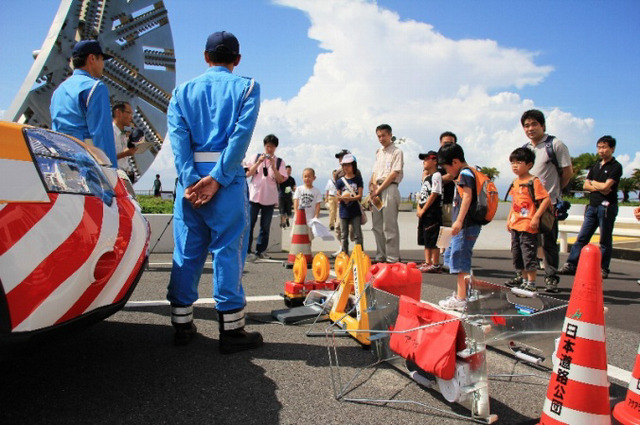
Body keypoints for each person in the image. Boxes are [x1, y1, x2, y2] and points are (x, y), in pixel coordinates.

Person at [166, 31, 262, 353]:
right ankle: (232, 332)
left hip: (189, 185)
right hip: (228, 183)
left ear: (205, 57)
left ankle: (181, 324)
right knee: (227, 251)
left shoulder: (181, 93)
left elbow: (179, 143)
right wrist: (218, 178)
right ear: (237, 59)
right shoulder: (248, 87)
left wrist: (191, 179)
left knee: (187, 253)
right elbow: (241, 137)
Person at [517, 109, 573, 293]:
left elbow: (567, 173)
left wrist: (555, 192)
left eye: (534, 124)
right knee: (526, 242)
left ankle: (551, 278)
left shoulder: (555, 145)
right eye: (526, 125)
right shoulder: (526, 149)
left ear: (543, 125)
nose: (530, 128)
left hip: (548, 204)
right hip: (527, 207)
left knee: (549, 243)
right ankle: (524, 276)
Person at [558, 135, 622, 279]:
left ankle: (603, 268)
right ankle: (572, 264)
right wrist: (598, 186)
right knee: (582, 237)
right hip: (592, 206)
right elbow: (585, 185)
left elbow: (607, 187)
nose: (601, 150)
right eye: (599, 147)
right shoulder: (596, 166)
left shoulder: (616, 167)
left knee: (604, 239)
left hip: (607, 207)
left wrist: (594, 184)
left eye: (604, 147)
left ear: (612, 149)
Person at [50, 40, 117, 167]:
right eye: (102, 59)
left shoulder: (58, 91)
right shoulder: (95, 87)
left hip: (62, 162)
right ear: (92, 58)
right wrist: (112, 171)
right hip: (87, 164)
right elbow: (102, 134)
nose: (103, 65)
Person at [437, 143, 482, 312]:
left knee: (460, 260)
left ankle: (461, 299)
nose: (447, 172)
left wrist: (459, 221)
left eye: (446, 167)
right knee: (458, 258)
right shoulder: (468, 172)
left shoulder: (465, 173)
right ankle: (465, 295)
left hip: (466, 225)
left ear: (455, 162)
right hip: (467, 225)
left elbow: (467, 197)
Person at [504, 147, 551, 292]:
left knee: (528, 253)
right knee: (517, 254)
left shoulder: (533, 181)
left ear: (529, 165)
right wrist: (509, 220)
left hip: (528, 224)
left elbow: (546, 199)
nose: (515, 166)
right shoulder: (515, 182)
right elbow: (514, 203)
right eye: (512, 163)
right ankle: (524, 280)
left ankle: (531, 282)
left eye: (519, 162)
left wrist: (536, 217)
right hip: (516, 224)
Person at [245, 134, 288, 261]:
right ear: (264, 146)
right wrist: (259, 162)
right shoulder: (256, 157)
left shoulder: (280, 162)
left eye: (272, 147)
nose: (269, 149)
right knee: (249, 224)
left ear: (275, 148)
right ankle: (247, 251)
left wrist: (274, 166)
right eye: (268, 146)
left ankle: (260, 250)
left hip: (269, 197)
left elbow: (281, 180)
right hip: (254, 196)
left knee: (265, 225)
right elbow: (248, 174)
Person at [369, 124, 404, 263]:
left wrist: (379, 189)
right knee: (377, 225)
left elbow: (394, 173)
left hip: (389, 188)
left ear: (390, 135)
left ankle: (392, 257)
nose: (381, 138)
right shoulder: (379, 152)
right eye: (378, 136)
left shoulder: (397, 152)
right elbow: (374, 172)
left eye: (383, 135)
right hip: (377, 190)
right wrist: (373, 188)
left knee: (389, 225)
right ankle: (380, 255)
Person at [416, 151, 443, 273]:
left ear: (435, 161)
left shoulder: (436, 175)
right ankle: (427, 262)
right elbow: (422, 195)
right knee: (425, 238)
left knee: (433, 238)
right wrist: (419, 209)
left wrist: (425, 209)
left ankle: (435, 263)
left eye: (427, 159)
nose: (424, 162)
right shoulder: (426, 177)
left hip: (432, 212)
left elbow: (434, 194)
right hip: (424, 212)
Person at [335, 154, 364, 255]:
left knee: (357, 234)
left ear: (353, 166)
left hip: (355, 210)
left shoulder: (358, 179)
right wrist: (342, 197)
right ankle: (344, 255)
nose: (346, 167)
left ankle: (359, 254)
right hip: (343, 210)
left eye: (348, 165)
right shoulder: (340, 181)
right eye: (344, 165)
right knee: (344, 235)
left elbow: (360, 195)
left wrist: (349, 198)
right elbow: (337, 195)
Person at [293, 168, 323, 243]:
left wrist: (316, 217)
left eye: (309, 176)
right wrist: (296, 214)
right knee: (297, 237)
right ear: (302, 177)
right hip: (299, 218)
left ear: (314, 178)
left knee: (308, 238)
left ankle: (308, 253)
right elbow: (296, 202)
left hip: (310, 219)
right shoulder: (299, 189)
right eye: (305, 176)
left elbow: (318, 205)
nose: (307, 178)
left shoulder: (316, 191)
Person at [112, 101, 137, 182]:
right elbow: (104, 158)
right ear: (118, 113)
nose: (131, 117)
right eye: (129, 113)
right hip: (116, 176)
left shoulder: (124, 134)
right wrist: (125, 154)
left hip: (126, 176)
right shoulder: (109, 133)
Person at [438, 131, 458, 228]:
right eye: (445, 143)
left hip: (449, 203)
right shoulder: (435, 158)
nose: (447, 145)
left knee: (447, 233)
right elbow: (425, 175)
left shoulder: (456, 159)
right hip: (434, 203)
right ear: (440, 143)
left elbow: (451, 175)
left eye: (450, 143)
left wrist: (434, 181)